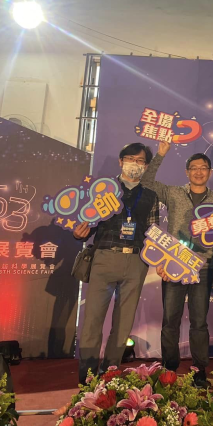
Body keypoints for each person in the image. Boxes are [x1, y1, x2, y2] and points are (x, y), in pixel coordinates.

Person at [75, 142, 160, 384]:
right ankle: (87, 376)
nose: (135, 164)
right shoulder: (103, 190)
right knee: (92, 320)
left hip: (136, 261)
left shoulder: (150, 196)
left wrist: (162, 257)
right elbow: (87, 222)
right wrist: (79, 232)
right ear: (121, 161)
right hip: (104, 257)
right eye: (130, 159)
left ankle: (110, 373)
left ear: (146, 166)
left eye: (140, 161)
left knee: (123, 323)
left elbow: (153, 232)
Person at [140, 141, 213, 387]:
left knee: (199, 322)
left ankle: (200, 371)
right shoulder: (174, 192)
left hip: (203, 267)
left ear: (209, 172)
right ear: (187, 172)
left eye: (203, 168)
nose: (199, 172)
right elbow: (146, 183)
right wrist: (160, 154)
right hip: (173, 265)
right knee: (171, 320)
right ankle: (169, 370)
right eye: (194, 168)